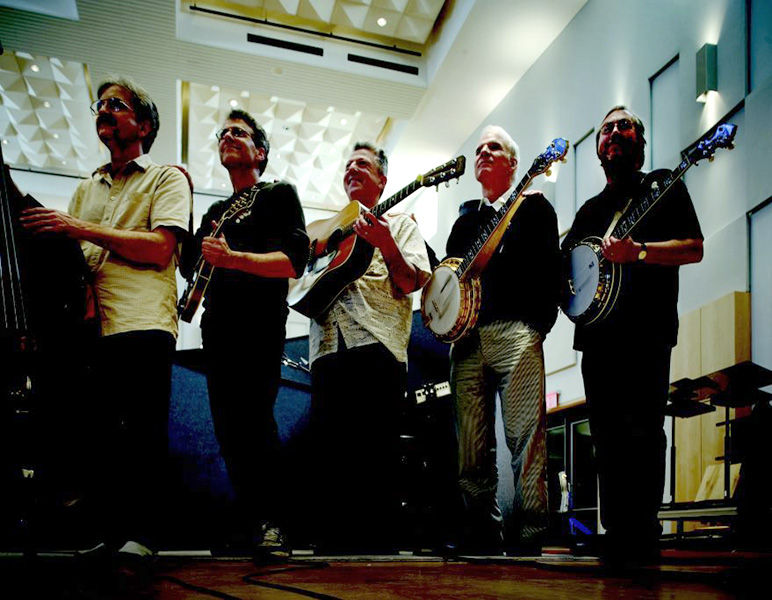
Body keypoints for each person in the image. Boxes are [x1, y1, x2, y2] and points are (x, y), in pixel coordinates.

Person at [20, 76, 191, 563]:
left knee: (142, 431)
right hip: (92, 326)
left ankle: (144, 536)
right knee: (101, 434)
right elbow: (75, 260)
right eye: (100, 104)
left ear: (145, 125)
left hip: (142, 319)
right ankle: (108, 534)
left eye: (117, 104)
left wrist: (77, 225)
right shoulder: (85, 188)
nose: (104, 110)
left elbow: (160, 249)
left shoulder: (166, 179)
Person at [562, 106, 703, 564]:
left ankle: (643, 533)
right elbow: (567, 275)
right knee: (606, 439)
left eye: (625, 125)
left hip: (646, 332)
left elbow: (694, 248)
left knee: (643, 433)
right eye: (606, 128)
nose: (614, 132)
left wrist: (637, 252)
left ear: (640, 143)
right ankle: (617, 531)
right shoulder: (588, 212)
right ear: (599, 148)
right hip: (597, 340)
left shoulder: (662, 187)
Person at [180, 109, 308, 555]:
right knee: (228, 428)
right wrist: (185, 203)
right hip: (217, 327)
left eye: (240, 132)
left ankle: (275, 523)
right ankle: (251, 521)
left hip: (259, 324)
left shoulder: (277, 195)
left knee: (255, 422)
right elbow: (189, 265)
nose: (228, 136)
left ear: (261, 151)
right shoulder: (215, 212)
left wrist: (234, 259)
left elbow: (294, 262)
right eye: (224, 132)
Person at [308, 142, 431, 552]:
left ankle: (378, 553)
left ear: (382, 180)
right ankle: (332, 544)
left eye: (362, 163)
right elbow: (303, 278)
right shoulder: (326, 231)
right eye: (347, 164)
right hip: (327, 345)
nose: (352, 169)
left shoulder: (401, 223)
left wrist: (385, 242)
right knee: (330, 451)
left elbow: (411, 282)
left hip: (376, 343)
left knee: (376, 452)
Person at [445, 125, 561, 555]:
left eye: (494, 147)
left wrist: (537, 326)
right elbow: (450, 280)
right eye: (479, 148)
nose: (484, 152)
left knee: (525, 439)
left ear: (514, 162)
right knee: (471, 446)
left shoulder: (536, 209)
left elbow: (551, 268)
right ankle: (480, 532)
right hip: (467, 340)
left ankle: (531, 533)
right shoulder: (464, 223)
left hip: (517, 331)